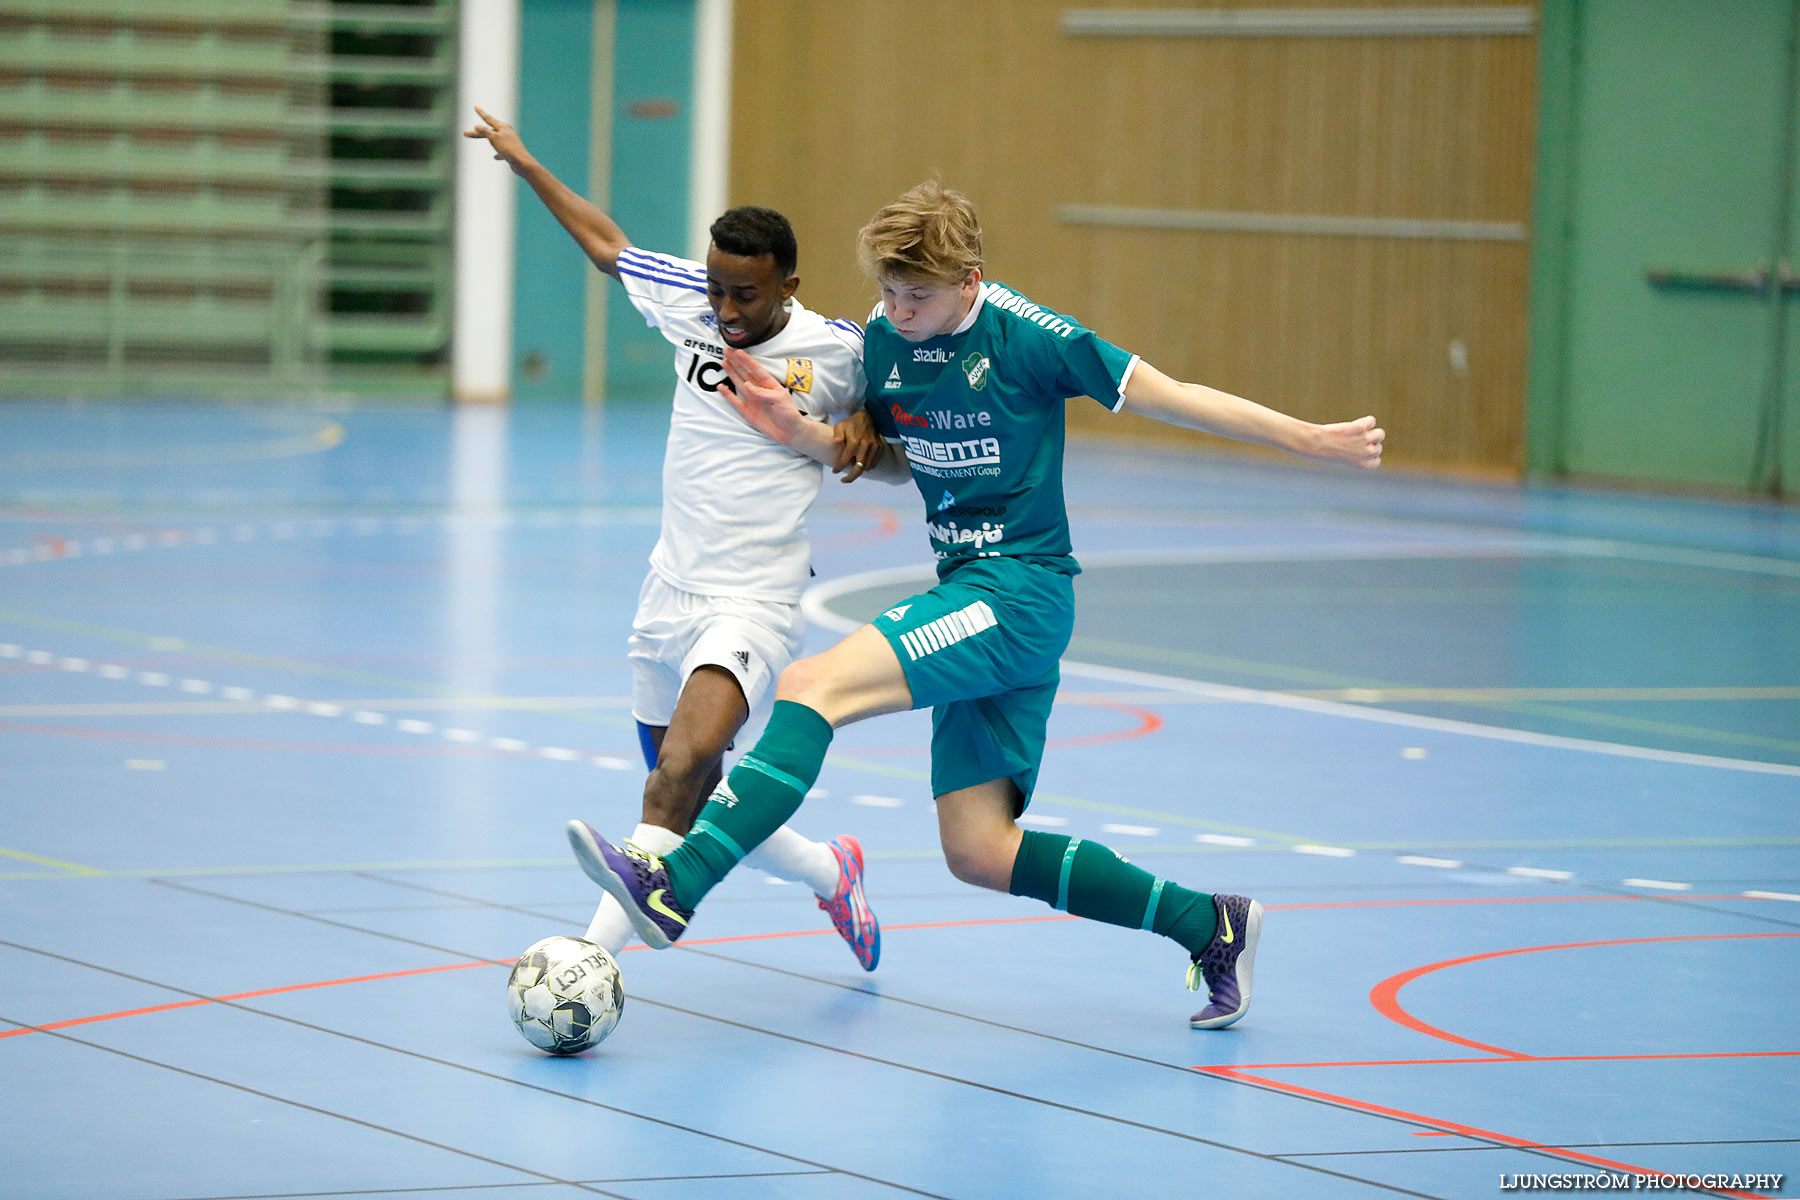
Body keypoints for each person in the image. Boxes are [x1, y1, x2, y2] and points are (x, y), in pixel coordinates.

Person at [569, 180, 1385, 1027]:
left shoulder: (1033, 340)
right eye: (886, 291)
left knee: (815, 687)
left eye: (916, 294)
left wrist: (1308, 439)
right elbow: (895, 459)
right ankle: (1210, 925)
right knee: (979, 851)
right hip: (969, 590)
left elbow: (1173, 396)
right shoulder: (885, 342)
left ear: (970, 281)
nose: (896, 310)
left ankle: (679, 884)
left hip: (1021, 588)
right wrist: (803, 433)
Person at [465, 107, 886, 969]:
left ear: (790, 288)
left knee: (679, 773)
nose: (726, 309)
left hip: (754, 602)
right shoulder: (689, 303)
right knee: (693, 794)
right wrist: (524, 160)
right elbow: (606, 243)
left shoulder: (839, 351)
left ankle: (588, 958)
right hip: (667, 594)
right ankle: (830, 872)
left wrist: (871, 424)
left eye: (747, 294)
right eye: (717, 288)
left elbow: (898, 413)